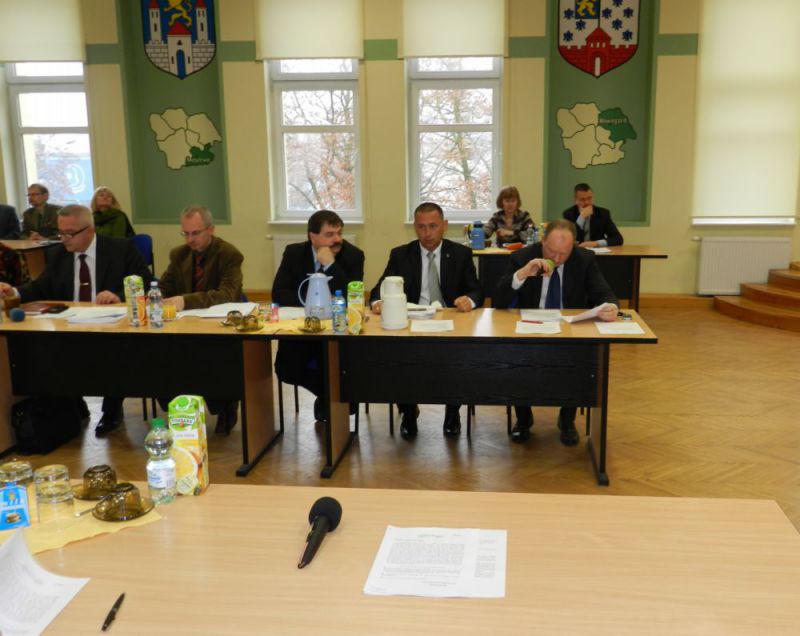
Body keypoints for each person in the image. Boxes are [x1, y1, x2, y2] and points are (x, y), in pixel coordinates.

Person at [0, 205, 152, 436]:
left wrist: (118, 296)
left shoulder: (120, 249)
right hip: (69, 325)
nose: (64, 239)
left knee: (113, 352)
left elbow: (145, 283)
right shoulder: (57, 254)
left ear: (89, 230)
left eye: (69, 233)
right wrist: (14, 292)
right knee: (42, 348)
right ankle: (71, 404)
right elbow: (41, 287)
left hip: (111, 326)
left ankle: (111, 410)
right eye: (60, 233)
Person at [494, 219, 618, 445]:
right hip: (530, 327)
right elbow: (498, 300)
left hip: (568, 328)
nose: (557, 259)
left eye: (564, 253)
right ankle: (523, 419)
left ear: (573, 247)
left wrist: (611, 307)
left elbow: (604, 292)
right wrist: (522, 274)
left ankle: (567, 419)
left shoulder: (584, 259)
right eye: (552, 252)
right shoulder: (522, 257)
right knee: (516, 358)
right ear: (542, 241)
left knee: (580, 359)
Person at [370, 202, 483, 440]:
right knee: (400, 358)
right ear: (415, 227)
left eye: (433, 226)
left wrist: (469, 300)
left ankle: (452, 412)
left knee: (457, 358)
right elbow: (379, 288)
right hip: (412, 321)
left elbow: (476, 290)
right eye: (421, 227)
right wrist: (378, 301)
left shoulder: (460, 254)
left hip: (449, 322)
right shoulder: (401, 254)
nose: (427, 233)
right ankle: (409, 411)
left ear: (444, 225)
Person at [158, 205, 245, 435]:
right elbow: (164, 287)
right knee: (160, 353)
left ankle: (226, 403)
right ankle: (180, 405)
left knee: (212, 356)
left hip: (218, 328)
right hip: (183, 326)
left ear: (211, 229)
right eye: (185, 233)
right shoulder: (179, 254)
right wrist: (153, 296)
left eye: (195, 233)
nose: (190, 239)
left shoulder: (229, 254)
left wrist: (185, 301)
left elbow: (227, 295)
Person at [272, 209, 365, 421]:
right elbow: (279, 293)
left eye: (339, 233)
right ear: (312, 237)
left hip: (338, 332)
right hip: (302, 330)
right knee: (286, 370)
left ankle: (333, 398)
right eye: (329, 234)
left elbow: (351, 297)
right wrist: (320, 300)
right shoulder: (294, 253)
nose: (337, 239)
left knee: (334, 365)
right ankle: (331, 396)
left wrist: (331, 265)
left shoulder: (353, 255)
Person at [562, 183, 623, 248]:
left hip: (598, 252)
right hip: (578, 252)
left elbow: (618, 238)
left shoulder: (603, 214)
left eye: (589, 198)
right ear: (575, 200)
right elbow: (568, 239)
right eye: (582, 199)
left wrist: (596, 243)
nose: (587, 202)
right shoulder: (568, 214)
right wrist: (581, 218)